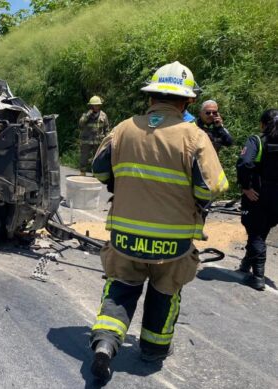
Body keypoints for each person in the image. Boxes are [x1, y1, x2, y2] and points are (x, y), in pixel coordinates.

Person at [88, 61, 229, 382]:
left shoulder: (122, 129)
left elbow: (99, 169)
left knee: (121, 287)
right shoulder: (195, 137)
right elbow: (214, 186)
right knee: (164, 292)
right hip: (173, 243)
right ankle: (153, 349)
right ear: (188, 101)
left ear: (151, 97)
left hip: (125, 236)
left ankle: (106, 344)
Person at [236, 109, 278, 291]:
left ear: (263, 124)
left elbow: (245, 163)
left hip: (258, 193)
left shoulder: (257, 140)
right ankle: (246, 263)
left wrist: (246, 187)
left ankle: (258, 276)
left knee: (255, 232)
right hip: (276, 197)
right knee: (262, 229)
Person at [78, 96, 110, 175]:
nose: (96, 107)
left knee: (97, 158)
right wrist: (88, 116)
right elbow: (80, 124)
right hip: (86, 140)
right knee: (84, 157)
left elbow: (106, 128)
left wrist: (107, 140)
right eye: (95, 105)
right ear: (91, 106)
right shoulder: (86, 114)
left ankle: (95, 173)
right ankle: (83, 172)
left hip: (98, 141)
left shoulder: (103, 115)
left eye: (98, 105)